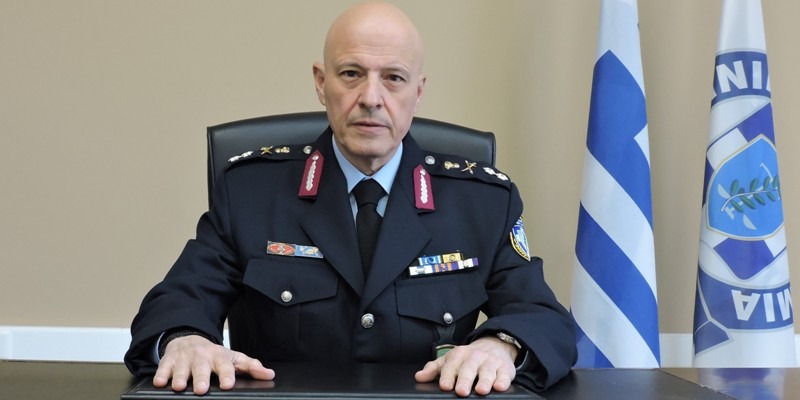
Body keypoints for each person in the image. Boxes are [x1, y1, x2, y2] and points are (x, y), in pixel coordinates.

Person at [125, 1, 576, 397]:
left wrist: (500, 345)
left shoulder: (482, 202)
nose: (371, 98)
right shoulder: (251, 192)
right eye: (351, 74)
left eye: (393, 78)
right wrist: (184, 339)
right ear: (322, 83)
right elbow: (176, 301)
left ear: (418, 91)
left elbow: (543, 317)